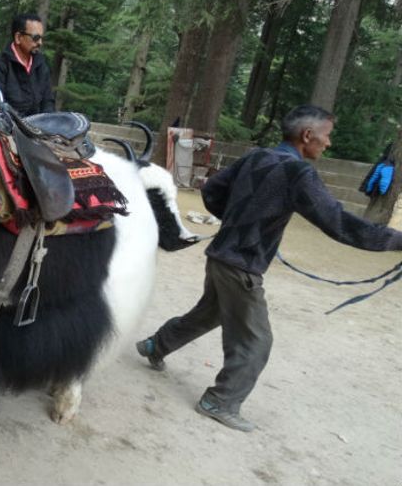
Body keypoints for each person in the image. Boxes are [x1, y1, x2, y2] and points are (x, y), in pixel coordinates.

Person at [135, 105, 402, 432]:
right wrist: (396, 241)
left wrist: (236, 221)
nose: (329, 143)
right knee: (256, 341)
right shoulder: (299, 173)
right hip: (241, 268)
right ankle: (219, 401)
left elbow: (212, 189)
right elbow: (338, 222)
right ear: (308, 135)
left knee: (209, 314)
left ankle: (155, 345)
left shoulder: (256, 156)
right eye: (327, 135)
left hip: (220, 257)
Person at [0, 13, 55, 116]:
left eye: (41, 38)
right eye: (36, 38)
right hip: (7, 124)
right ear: (18, 37)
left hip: (36, 125)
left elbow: (48, 102)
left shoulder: (41, 67)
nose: (40, 42)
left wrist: (48, 121)